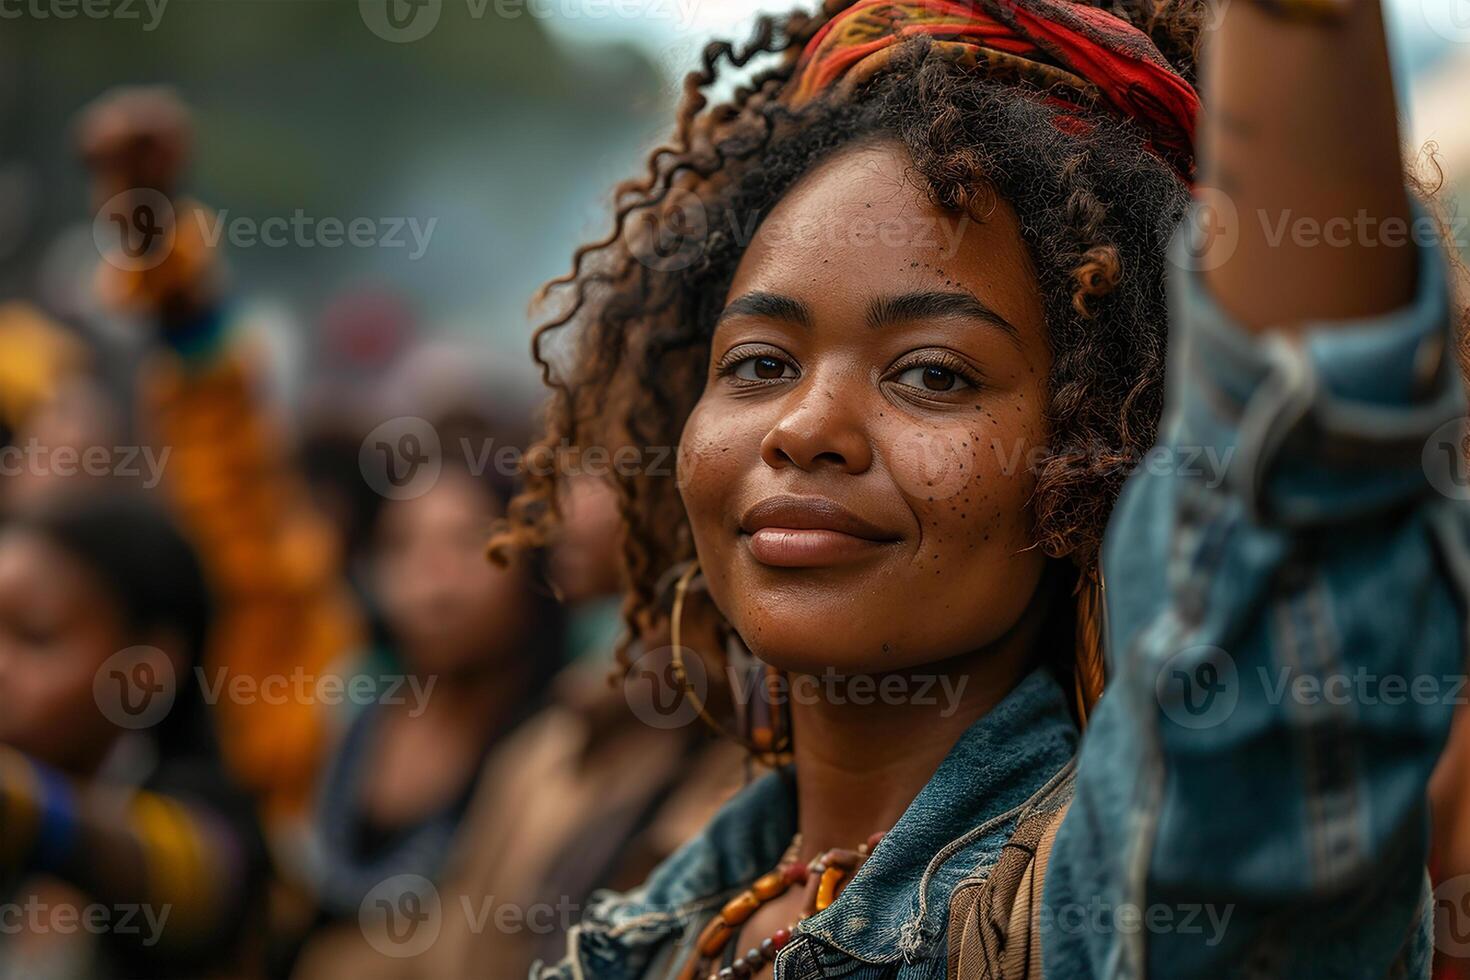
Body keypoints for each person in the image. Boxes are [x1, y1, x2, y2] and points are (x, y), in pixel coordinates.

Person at [488, 0, 1470, 975]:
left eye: (933, 374)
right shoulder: (635, 934)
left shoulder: (1124, 913)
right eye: (756, 363)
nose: (804, 427)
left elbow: (1305, 463)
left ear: (1096, 459)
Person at [0, 495, 268, 979]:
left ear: (142, 674)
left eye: (34, 637)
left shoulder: (213, 819)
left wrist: (30, 811)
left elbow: (193, 878)